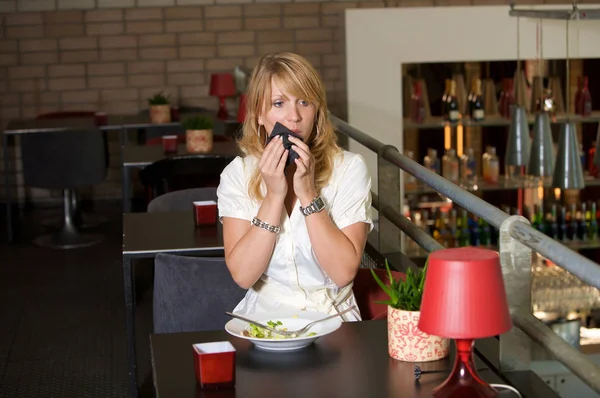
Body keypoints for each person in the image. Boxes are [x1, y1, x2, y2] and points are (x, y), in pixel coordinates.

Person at [217, 53, 373, 321]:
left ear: (317, 111)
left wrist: (308, 193)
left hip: (333, 321)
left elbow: (343, 272)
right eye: (279, 103)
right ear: (258, 115)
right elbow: (243, 276)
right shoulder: (237, 175)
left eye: (304, 102)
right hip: (264, 321)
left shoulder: (349, 169)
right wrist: (274, 196)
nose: (294, 117)